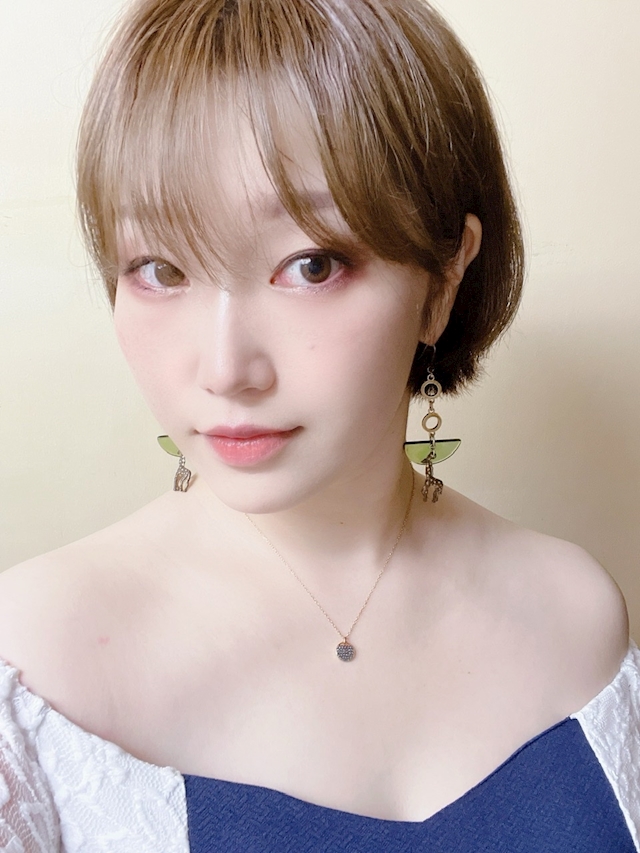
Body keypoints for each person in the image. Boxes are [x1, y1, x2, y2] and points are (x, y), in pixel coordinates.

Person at [0, 0, 638, 850]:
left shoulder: (578, 618)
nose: (225, 369)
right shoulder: (33, 670)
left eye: (311, 264)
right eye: (160, 269)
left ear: (445, 277)